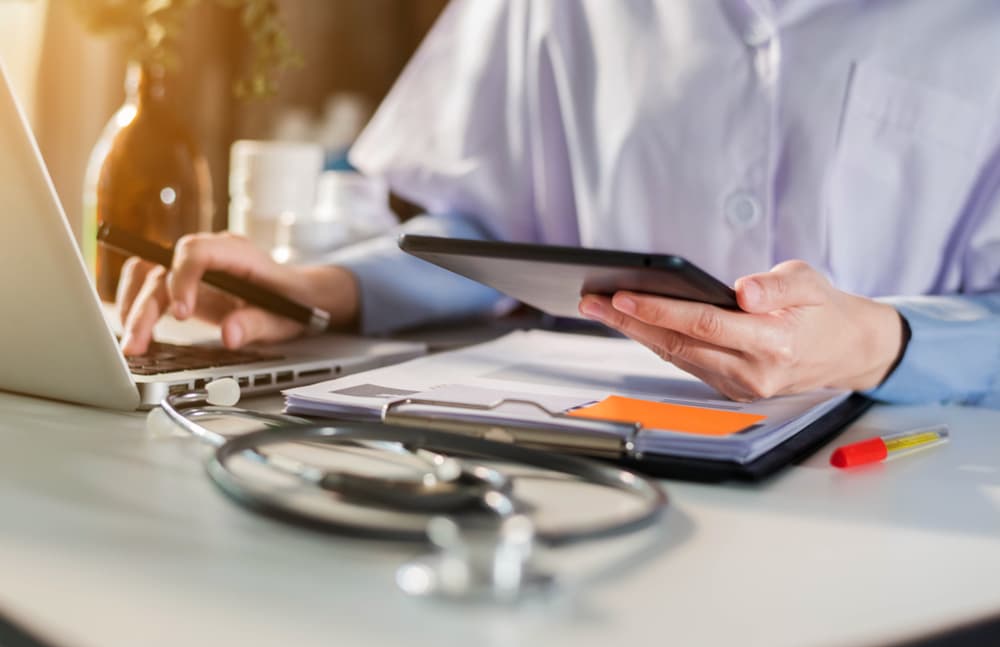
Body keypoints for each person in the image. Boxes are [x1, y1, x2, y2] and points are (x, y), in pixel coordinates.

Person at [118, 0, 1000, 407]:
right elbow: (487, 233)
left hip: (904, 482)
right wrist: (317, 289)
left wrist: (878, 343)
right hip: (590, 465)